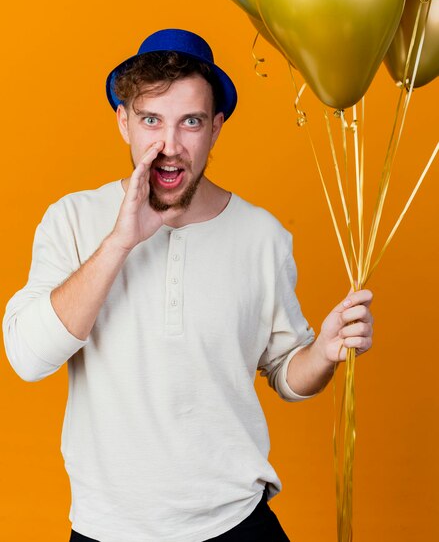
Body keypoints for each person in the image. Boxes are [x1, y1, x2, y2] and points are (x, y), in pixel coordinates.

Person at [3, 29, 373, 542]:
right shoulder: (72, 220)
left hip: (234, 522)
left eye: (191, 122)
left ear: (216, 129)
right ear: (123, 122)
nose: (169, 146)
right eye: (151, 120)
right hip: (107, 529)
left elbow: (287, 374)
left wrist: (326, 353)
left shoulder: (262, 236)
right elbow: (28, 357)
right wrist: (119, 243)